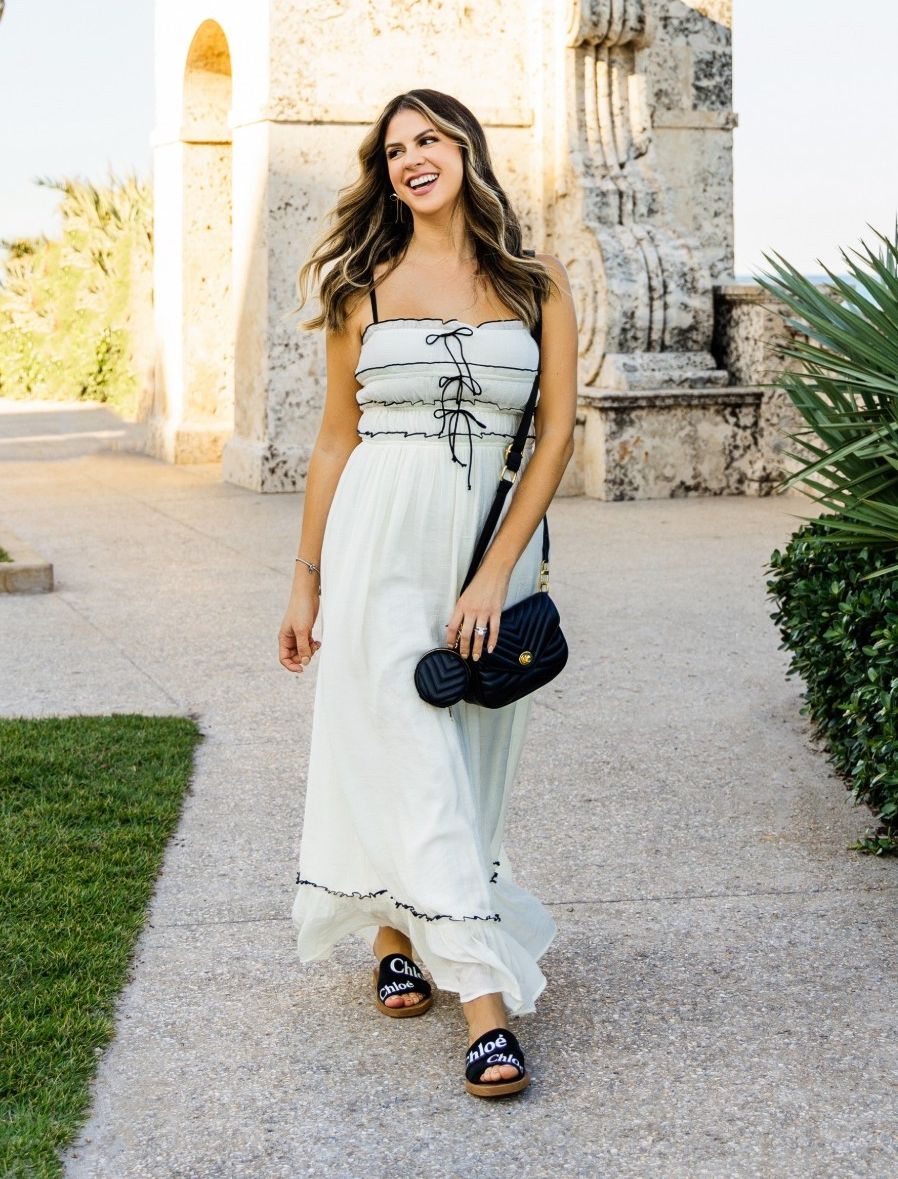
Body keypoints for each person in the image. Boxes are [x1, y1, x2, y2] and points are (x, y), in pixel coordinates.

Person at [280, 87, 577, 1098]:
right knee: (405, 735)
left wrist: (496, 567)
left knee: (462, 747)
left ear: (464, 150)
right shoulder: (358, 288)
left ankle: (398, 928)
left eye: (429, 138)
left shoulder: (536, 282)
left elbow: (555, 433)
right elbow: (333, 438)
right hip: (376, 537)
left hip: (490, 544)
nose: (412, 157)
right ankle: (485, 1005)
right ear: (385, 171)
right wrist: (304, 579)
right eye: (395, 147)